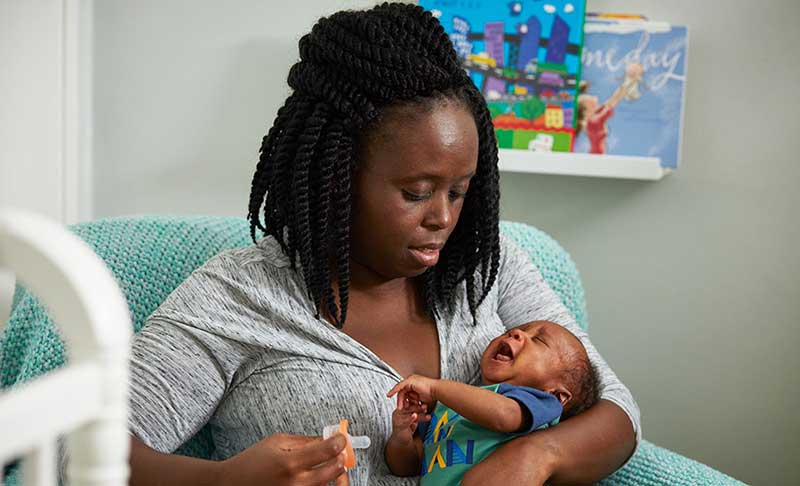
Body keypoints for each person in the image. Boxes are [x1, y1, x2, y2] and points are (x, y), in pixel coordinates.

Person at [127, 3, 640, 486]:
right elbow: (86, 446)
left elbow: (613, 409)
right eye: (416, 193)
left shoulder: (488, 267)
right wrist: (223, 480)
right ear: (335, 179)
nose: (443, 218)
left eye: (460, 191)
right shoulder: (236, 296)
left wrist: (532, 456)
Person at [384, 321, 600, 485]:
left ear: (558, 395)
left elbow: (503, 415)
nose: (517, 333)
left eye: (538, 340)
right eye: (518, 329)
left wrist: (435, 388)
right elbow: (409, 466)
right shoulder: (450, 406)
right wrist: (402, 438)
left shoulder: (541, 403)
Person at [576, 62, 644, 154]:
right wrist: (630, 80)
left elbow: (614, 99)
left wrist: (629, 81)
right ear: (586, 110)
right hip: (597, 157)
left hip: (598, 155)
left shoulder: (594, 116)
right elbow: (612, 103)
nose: (594, 98)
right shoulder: (594, 121)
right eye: (591, 100)